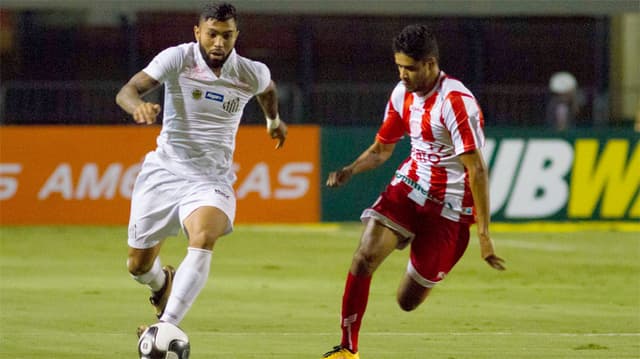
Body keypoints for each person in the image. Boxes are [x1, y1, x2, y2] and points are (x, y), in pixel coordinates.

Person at [321, 24, 505, 359]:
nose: (403, 75)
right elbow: (381, 149)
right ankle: (348, 349)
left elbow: (476, 170)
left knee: (407, 302)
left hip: (449, 210)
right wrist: (350, 169)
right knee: (364, 257)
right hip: (410, 187)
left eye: (410, 68)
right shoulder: (401, 94)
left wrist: (484, 233)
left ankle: (423, 252)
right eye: (399, 67)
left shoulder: (455, 102)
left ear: (431, 64)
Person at [115, 2, 287, 337]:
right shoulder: (178, 58)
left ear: (236, 35)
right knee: (137, 266)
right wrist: (138, 107)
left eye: (226, 35)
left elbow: (267, 90)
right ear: (198, 33)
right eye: (212, 34)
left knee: (204, 236)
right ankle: (162, 283)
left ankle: (166, 327)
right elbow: (128, 91)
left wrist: (273, 121)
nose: (219, 42)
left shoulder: (250, 71)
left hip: (211, 178)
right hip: (164, 171)